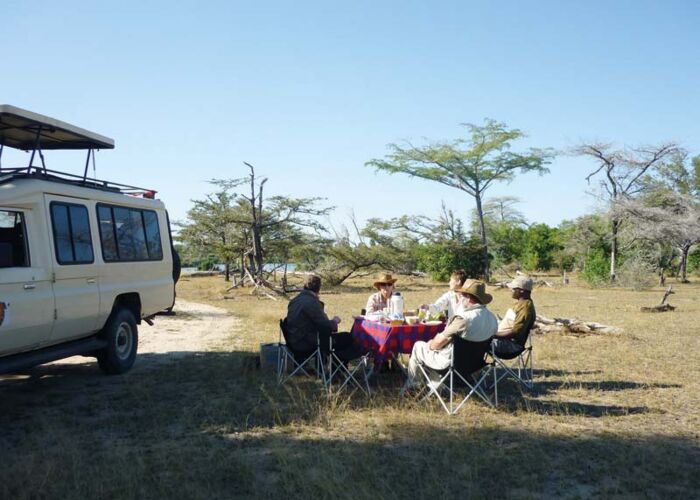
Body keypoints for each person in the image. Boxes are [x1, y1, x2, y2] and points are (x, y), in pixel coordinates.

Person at [403, 280, 497, 391]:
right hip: (475, 364)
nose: (460, 298)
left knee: (419, 346)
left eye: (462, 295)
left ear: (468, 297)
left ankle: (413, 386)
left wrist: (430, 345)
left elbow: (438, 342)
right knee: (436, 351)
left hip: (452, 364)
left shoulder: (463, 319)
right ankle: (436, 386)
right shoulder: (492, 318)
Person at [286, 275, 359, 361]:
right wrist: (335, 321)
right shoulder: (311, 302)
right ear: (318, 288)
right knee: (347, 338)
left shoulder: (295, 300)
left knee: (328, 337)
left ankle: (324, 368)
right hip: (305, 343)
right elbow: (326, 325)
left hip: (293, 341)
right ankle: (336, 369)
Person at [492, 276, 536, 357]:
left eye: (513, 288)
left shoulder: (525, 308)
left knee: (474, 340)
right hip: (504, 341)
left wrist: (492, 335)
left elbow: (515, 333)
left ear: (522, 290)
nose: (510, 290)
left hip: (510, 346)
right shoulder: (521, 303)